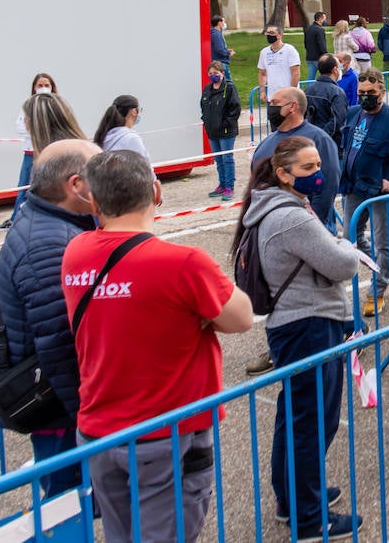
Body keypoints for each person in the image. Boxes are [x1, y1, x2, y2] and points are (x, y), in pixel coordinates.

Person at [62, 150, 254, 543]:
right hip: (165, 433)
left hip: (99, 431)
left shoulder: (75, 252)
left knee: (120, 534)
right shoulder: (182, 262)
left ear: (95, 203)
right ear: (156, 191)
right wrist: (197, 314)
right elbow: (241, 317)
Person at [234, 137, 361, 539]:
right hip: (308, 324)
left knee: (296, 420)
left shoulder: (272, 206)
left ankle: (294, 499)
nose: (318, 174)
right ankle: (309, 517)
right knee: (310, 423)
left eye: (318, 165)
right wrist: (348, 248)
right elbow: (342, 263)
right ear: (284, 173)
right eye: (307, 168)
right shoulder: (290, 216)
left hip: (295, 324)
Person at [0, 139, 101, 498]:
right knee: (66, 509)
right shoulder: (49, 244)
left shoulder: (52, 221)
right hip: (59, 410)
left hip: (58, 403)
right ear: (75, 185)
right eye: (99, 172)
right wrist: (88, 417)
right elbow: (59, 343)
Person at [340, 69, 389, 314]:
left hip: (378, 192)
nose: (365, 97)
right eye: (361, 93)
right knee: (351, 238)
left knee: (382, 242)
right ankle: (384, 267)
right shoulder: (352, 114)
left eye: (370, 93)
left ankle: (376, 292)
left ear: (382, 91)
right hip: (353, 187)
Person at [252, 87, 341, 228]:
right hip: (271, 226)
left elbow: (328, 186)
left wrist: (312, 225)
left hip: (308, 227)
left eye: (275, 103)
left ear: (292, 106)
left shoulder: (319, 139)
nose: (270, 108)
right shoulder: (264, 145)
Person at [3, 73, 59, 230]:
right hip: (30, 153)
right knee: (23, 187)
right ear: (34, 88)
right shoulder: (28, 105)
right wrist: (39, 129)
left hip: (49, 153)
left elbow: (57, 128)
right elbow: (20, 128)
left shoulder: (56, 105)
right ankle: (15, 220)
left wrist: (33, 127)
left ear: (52, 87)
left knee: (50, 187)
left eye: (46, 85)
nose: (43, 88)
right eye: (40, 85)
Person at [200, 61, 241, 199]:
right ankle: (222, 184)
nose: (213, 76)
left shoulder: (229, 88)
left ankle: (229, 187)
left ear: (222, 73)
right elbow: (203, 106)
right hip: (212, 131)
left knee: (227, 158)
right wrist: (206, 120)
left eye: (216, 73)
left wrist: (225, 123)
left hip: (226, 131)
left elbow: (235, 109)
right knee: (218, 159)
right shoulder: (207, 89)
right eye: (210, 74)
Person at [304, 53, 349, 148]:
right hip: (330, 144)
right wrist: (321, 137)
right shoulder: (337, 92)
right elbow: (337, 121)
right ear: (335, 70)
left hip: (309, 141)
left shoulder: (308, 90)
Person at [258, 25, 302, 105]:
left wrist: (291, 93)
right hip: (273, 97)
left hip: (289, 97)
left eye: (272, 33)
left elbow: (296, 73)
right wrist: (262, 91)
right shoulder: (264, 52)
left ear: (280, 35)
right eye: (267, 33)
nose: (269, 35)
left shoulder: (290, 50)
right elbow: (262, 73)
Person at [304, 12, 328, 81]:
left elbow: (305, 43)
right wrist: (325, 55)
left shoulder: (308, 28)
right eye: (324, 19)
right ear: (320, 19)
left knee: (310, 78)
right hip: (319, 58)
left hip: (309, 56)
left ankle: (308, 91)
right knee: (324, 77)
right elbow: (322, 44)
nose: (325, 21)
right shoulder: (320, 30)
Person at [210, 15, 235, 81]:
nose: (224, 24)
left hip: (218, 61)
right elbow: (219, 49)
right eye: (223, 21)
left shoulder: (215, 33)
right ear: (219, 23)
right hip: (220, 62)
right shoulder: (216, 34)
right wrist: (228, 53)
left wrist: (226, 50)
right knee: (227, 82)